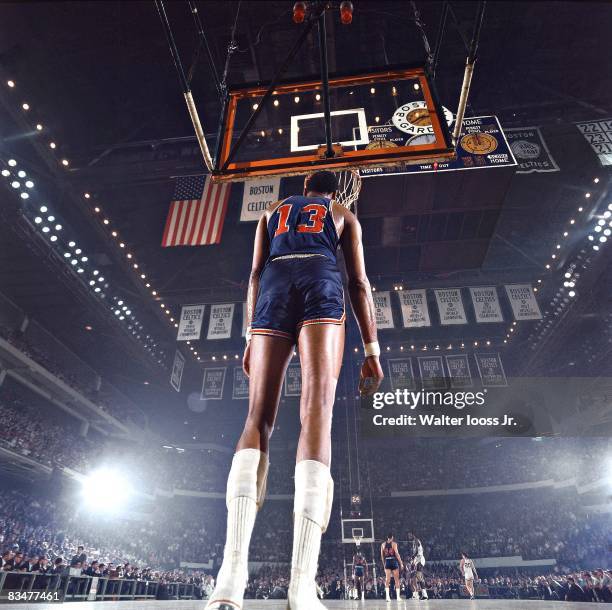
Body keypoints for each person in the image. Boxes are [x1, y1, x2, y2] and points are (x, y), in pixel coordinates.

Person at [206, 170, 383, 610]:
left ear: (304, 187)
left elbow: (251, 276)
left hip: (272, 289)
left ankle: (230, 578)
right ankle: (301, 586)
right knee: (316, 414)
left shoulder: (270, 211)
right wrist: (373, 347)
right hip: (320, 283)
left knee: (256, 419)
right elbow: (359, 284)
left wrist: (249, 336)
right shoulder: (342, 214)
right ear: (334, 189)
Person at [381, 533, 403, 601]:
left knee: (387, 580)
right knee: (397, 580)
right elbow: (396, 553)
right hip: (393, 561)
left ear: (387, 537)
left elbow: (382, 556)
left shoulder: (383, 544)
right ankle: (398, 597)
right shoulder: (394, 544)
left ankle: (387, 597)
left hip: (387, 561)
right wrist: (401, 563)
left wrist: (384, 564)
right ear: (392, 537)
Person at [408, 532, 428, 600]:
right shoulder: (414, 542)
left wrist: (413, 557)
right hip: (417, 560)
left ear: (413, 534)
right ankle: (418, 595)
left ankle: (425, 595)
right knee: (415, 577)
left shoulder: (416, 540)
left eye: (409, 535)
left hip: (420, 559)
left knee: (419, 576)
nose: (408, 536)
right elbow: (419, 550)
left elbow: (416, 551)